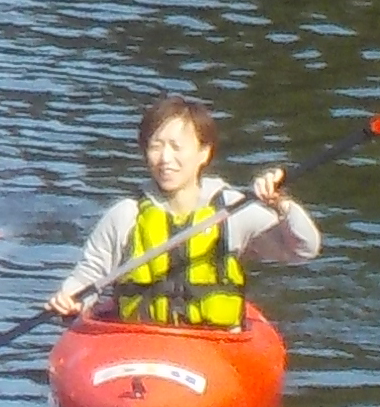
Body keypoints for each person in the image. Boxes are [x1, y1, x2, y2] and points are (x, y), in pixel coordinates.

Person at [45, 96, 318, 324]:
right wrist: (70, 299)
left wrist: (281, 205)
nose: (165, 159)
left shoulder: (235, 210)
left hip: (215, 347)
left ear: (204, 153)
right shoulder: (125, 214)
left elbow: (303, 249)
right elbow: (89, 275)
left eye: (177, 147)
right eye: (156, 146)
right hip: (140, 342)